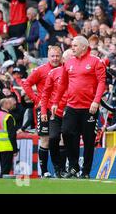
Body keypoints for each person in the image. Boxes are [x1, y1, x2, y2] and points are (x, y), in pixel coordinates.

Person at [51, 36, 107, 179]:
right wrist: (56, 102)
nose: (72, 48)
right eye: (72, 45)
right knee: (67, 132)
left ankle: (86, 171)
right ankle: (74, 166)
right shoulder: (68, 63)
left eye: (75, 45)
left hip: (89, 108)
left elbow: (102, 82)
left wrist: (96, 100)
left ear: (83, 47)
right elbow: (62, 84)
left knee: (89, 139)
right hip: (72, 106)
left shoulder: (96, 62)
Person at [22, 45, 62, 178]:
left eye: (57, 56)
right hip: (44, 108)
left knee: (60, 138)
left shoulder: (65, 69)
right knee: (45, 139)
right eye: (52, 56)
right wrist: (35, 99)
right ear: (48, 57)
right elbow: (26, 84)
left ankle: (60, 169)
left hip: (60, 108)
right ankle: (44, 170)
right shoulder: (41, 70)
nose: (55, 58)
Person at [40, 49, 73, 177]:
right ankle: (56, 166)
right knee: (53, 138)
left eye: (73, 58)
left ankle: (63, 169)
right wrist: (43, 110)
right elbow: (45, 93)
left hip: (71, 111)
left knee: (66, 138)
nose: (71, 61)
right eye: (69, 58)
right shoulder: (54, 72)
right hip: (55, 112)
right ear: (63, 60)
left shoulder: (78, 74)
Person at [0, 97, 18, 178]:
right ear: (5, 105)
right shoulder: (8, 117)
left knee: (3, 168)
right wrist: (15, 149)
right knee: (6, 169)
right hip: (8, 146)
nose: (12, 104)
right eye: (10, 103)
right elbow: (12, 135)